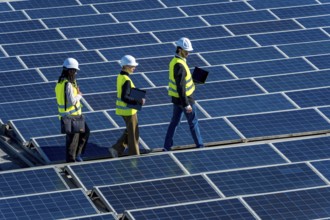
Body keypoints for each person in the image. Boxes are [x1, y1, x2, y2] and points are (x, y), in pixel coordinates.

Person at [163, 37, 204, 151]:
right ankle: (200, 145)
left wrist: (195, 79)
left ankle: (166, 146)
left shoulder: (175, 61)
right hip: (186, 99)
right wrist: (186, 104)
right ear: (179, 49)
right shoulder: (180, 65)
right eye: (186, 51)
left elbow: (183, 81)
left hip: (177, 99)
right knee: (193, 123)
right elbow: (180, 86)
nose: (188, 53)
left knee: (174, 123)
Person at [109, 55, 145, 157]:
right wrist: (138, 100)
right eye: (132, 66)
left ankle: (116, 148)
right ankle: (134, 156)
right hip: (129, 111)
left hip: (124, 111)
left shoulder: (120, 76)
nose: (134, 67)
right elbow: (125, 97)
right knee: (134, 134)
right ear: (126, 66)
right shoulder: (126, 80)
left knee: (130, 131)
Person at [55, 58, 90, 162]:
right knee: (72, 141)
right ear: (70, 71)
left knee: (84, 133)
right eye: (75, 71)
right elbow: (72, 101)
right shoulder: (68, 84)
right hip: (72, 117)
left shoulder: (60, 83)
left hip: (71, 116)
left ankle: (77, 155)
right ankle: (72, 162)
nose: (75, 73)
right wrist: (79, 95)